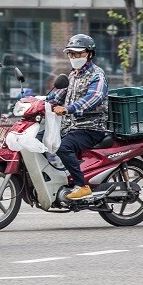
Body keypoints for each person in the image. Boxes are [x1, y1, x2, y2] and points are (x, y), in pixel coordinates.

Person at [49, 34, 108, 200]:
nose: (74, 57)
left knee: (63, 147)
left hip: (91, 127)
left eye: (79, 53)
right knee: (40, 139)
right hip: (70, 126)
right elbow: (57, 97)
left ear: (89, 54)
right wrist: (36, 101)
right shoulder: (72, 75)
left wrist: (68, 109)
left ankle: (82, 186)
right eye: (71, 54)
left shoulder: (97, 75)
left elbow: (93, 98)